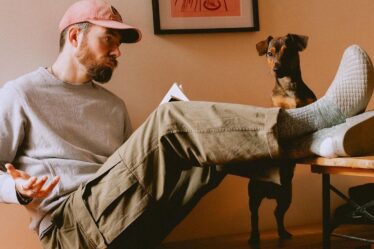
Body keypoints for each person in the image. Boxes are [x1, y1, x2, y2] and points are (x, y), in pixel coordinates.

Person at [0, 0, 373, 248]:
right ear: (75, 35)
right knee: (170, 122)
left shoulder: (111, 105)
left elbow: (124, 174)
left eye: (120, 43)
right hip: (70, 232)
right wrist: (18, 191)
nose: (117, 51)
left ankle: (312, 140)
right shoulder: (22, 93)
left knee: (207, 152)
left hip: (126, 227)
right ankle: (317, 120)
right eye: (109, 38)